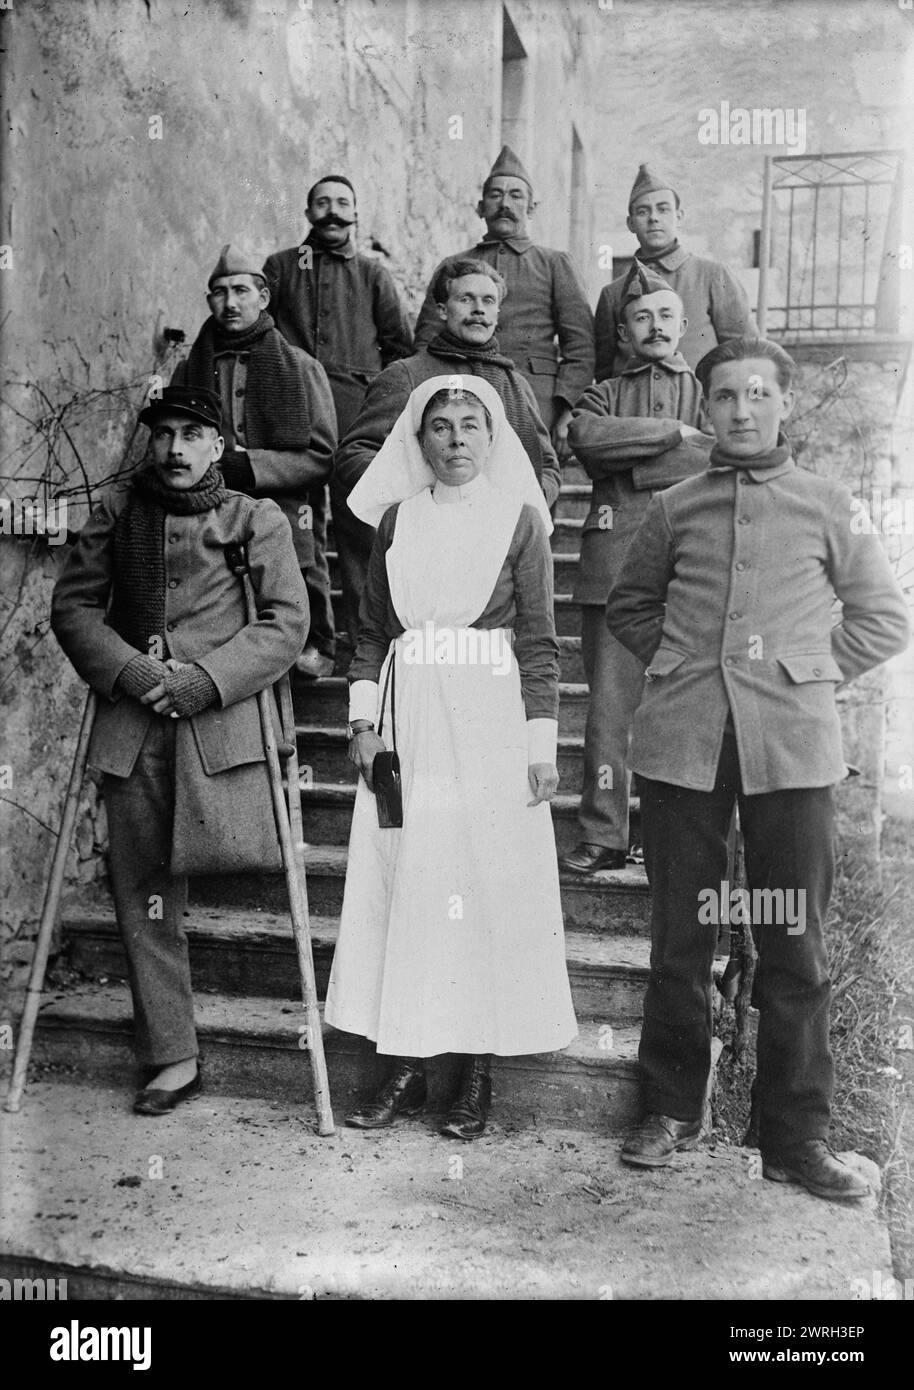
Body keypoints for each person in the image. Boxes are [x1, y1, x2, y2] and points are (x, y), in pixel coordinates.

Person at [605, 337, 910, 1198]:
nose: (741, 411)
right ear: (706, 410)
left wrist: (808, 673)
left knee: (792, 945)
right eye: (725, 397)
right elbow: (632, 606)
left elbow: (884, 619)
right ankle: (669, 1108)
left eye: (757, 395)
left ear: (784, 405)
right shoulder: (675, 507)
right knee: (680, 936)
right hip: (686, 748)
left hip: (791, 752)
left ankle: (795, 1138)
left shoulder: (829, 505)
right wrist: (678, 670)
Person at [325, 375, 577, 1139]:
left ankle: (475, 1073)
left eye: (472, 424)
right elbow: (369, 634)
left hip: (489, 719)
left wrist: (539, 746)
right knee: (409, 878)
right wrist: (363, 727)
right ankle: (405, 1060)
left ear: (494, 439)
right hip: (407, 720)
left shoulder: (518, 523)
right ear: (418, 438)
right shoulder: (397, 521)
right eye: (441, 425)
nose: (457, 438)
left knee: (481, 884)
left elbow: (539, 643)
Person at [50, 386, 309, 1116]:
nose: (174, 449)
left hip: (220, 728)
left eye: (192, 434)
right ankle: (172, 1055)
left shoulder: (254, 517)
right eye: (163, 434)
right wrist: (130, 669)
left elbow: (288, 623)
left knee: (229, 865)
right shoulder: (118, 512)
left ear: (218, 446)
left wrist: (205, 678)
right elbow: (72, 608)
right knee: (144, 895)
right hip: (135, 727)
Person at [561, 263, 713, 876]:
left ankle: (665, 833)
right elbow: (586, 439)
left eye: (665, 316)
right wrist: (672, 434)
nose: (654, 326)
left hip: (688, 571)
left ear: (683, 326)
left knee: (680, 706)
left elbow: (718, 453)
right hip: (611, 570)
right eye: (641, 316)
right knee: (609, 710)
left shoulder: (707, 393)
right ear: (623, 330)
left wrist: (641, 464)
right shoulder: (602, 392)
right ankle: (604, 834)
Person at [334, 258, 561, 627]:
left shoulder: (516, 385)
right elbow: (353, 454)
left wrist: (517, 506)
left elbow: (547, 465)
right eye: (466, 299)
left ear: (498, 312)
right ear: (442, 309)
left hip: (496, 556)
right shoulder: (407, 375)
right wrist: (423, 498)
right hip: (428, 552)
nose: (478, 310)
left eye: (488, 301)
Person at [264, 175, 414, 657]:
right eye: (321, 203)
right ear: (308, 213)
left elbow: (399, 349)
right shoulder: (282, 268)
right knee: (299, 528)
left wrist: (381, 413)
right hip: (293, 417)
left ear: (355, 213)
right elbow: (259, 333)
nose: (332, 211)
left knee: (361, 529)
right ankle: (313, 644)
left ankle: (367, 643)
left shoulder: (373, 275)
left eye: (342, 203)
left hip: (357, 421)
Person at [172, 243, 337, 680]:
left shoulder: (301, 368)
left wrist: (252, 467)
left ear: (262, 298)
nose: (230, 303)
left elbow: (322, 456)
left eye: (242, 291)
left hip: (285, 510)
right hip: (211, 512)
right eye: (220, 293)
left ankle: (313, 647)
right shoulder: (189, 371)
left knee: (295, 586)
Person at [413, 144, 594, 455]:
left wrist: (566, 409)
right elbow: (425, 341)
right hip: (461, 396)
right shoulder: (453, 267)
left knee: (530, 483)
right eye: (495, 195)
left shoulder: (554, 264)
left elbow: (580, 347)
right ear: (481, 207)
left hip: (535, 400)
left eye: (516, 196)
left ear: (532, 208)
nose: (505, 204)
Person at [595, 163, 757, 381]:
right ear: (630, 223)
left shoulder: (713, 276)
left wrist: (754, 404)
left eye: (663, 209)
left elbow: (748, 352)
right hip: (632, 412)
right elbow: (604, 371)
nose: (653, 218)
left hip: (698, 408)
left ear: (679, 216)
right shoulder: (613, 294)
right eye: (643, 211)